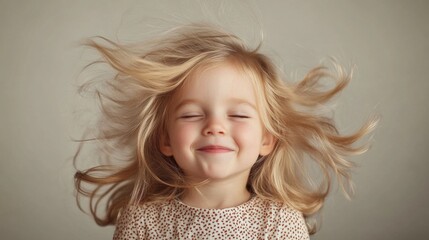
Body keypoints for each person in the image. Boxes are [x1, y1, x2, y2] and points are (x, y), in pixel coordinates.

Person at [74, 23, 376, 239]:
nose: (215, 127)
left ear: (267, 138)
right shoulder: (142, 222)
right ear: (164, 138)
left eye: (238, 114)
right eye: (192, 114)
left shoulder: (280, 224)